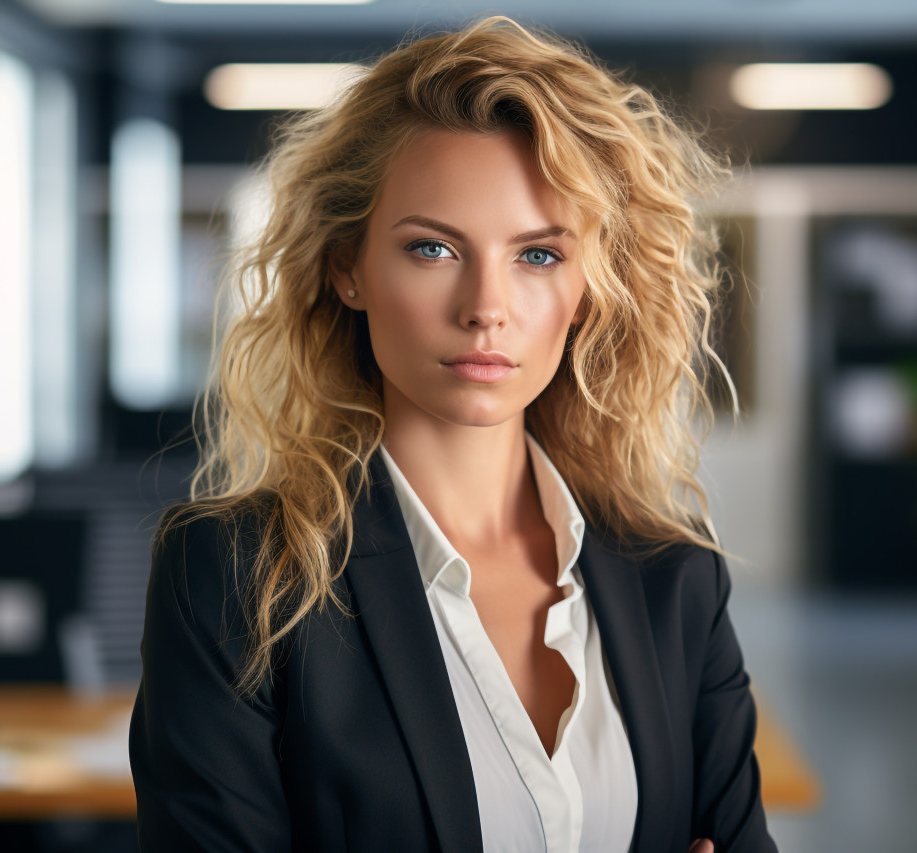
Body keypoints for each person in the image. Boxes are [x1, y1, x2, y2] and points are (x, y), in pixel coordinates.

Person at [129, 15, 778, 853]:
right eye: (432, 248)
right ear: (347, 266)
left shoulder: (675, 578)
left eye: (538, 256)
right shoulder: (238, 577)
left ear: (591, 286)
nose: (486, 308)